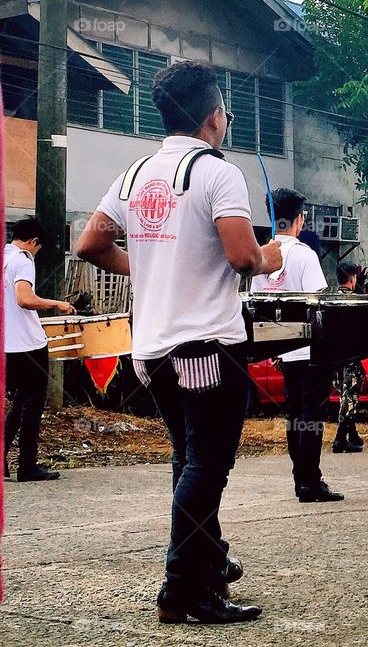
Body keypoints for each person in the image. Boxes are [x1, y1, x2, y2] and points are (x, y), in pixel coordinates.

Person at [76, 60, 281, 623]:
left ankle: (207, 571)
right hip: (206, 347)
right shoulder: (218, 172)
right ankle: (180, 590)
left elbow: (88, 243)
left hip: (152, 350)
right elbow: (242, 256)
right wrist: (271, 258)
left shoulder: (135, 173)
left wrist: (144, 269)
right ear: (215, 116)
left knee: (189, 460)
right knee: (207, 467)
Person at [251, 188, 343, 502]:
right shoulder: (304, 254)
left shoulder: (259, 255)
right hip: (311, 351)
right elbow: (317, 304)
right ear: (299, 219)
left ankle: (300, 480)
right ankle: (311, 482)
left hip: (284, 350)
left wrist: (276, 348)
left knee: (294, 416)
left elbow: (259, 307)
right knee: (312, 416)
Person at [3, 217, 76, 481]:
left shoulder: (4, 258)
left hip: (7, 345)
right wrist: (57, 304)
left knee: (19, 400)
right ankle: (27, 465)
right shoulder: (22, 260)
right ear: (33, 242)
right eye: (38, 247)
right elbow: (24, 298)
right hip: (28, 344)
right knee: (33, 404)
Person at [331, 262, 365, 453]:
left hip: (334, 358)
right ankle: (339, 438)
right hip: (351, 357)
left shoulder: (329, 299)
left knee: (345, 396)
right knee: (350, 397)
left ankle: (352, 436)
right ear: (352, 278)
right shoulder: (358, 302)